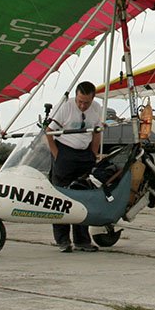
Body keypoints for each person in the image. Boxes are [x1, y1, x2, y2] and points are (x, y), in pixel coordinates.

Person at [47, 81, 102, 252]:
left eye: (86, 102)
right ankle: (63, 239)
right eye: (80, 101)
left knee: (84, 196)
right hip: (64, 151)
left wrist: (93, 154)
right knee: (61, 195)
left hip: (85, 153)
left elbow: (96, 133)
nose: (82, 105)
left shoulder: (97, 109)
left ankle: (82, 240)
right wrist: (58, 156)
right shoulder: (65, 107)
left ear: (92, 98)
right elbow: (48, 132)